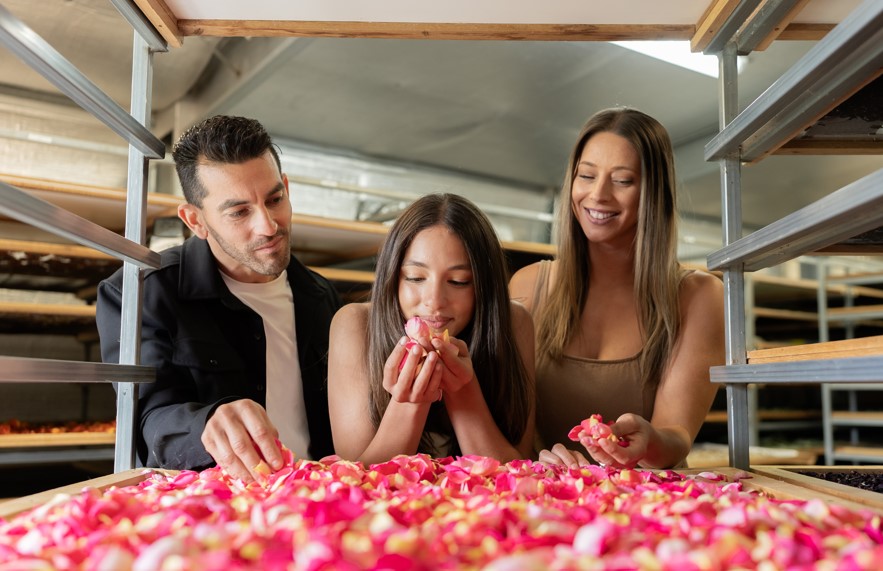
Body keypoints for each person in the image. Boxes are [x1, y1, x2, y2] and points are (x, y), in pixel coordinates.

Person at [96, 115, 341, 481]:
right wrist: (205, 423)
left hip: (320, 501)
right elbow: (149, 418)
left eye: (275, 199)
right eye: (240, 211)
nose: (269, 226)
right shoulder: (141, 294)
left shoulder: (323, 297)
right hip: (212, 516)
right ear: (196, 220)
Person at [509, 107, 724, 470]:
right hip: (542, 504)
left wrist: (649, 442)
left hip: (649, 508)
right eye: (586, 175)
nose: (598, 194)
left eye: (622, 180)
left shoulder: (699, 296)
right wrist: (536, 458)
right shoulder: (527, 287)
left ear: (652, 193)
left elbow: (675, 436)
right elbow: (512, 430)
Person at [328, 193, 535, 465]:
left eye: (459, 281)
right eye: (415, 278)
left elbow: (514, 474)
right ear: (393, 277)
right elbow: (358, 479)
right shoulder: (355, 325)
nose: (434, 301)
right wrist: (409, 401)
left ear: (485, 287)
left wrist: (463, 388)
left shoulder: (513, 322)